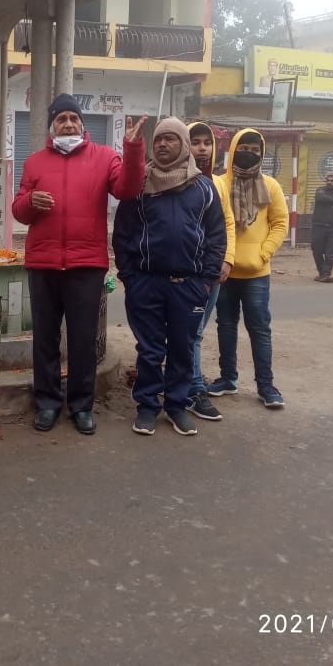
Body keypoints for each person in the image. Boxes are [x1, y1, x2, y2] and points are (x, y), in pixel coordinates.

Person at [12, 94, 146, 435]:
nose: (68, 123)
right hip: (43, 263)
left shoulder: (105, 157)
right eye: (61, 119)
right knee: (44, 337)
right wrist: (30, 201)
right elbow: (18, 210)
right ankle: (47, 403)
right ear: (52, 126)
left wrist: (132, 149)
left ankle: (82, 405)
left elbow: (128, 189)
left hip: (86, 263)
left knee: (83, 339)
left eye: (73, 117)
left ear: (82, 123)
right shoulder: (35, 163)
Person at [113, 118, 227, 437]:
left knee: (182, 348)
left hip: (189, 286)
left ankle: (177, 406)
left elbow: (216, 235)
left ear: (184, 145)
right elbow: (122, 234)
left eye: (171, 139)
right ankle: (147, 406)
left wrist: (204, 280)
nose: (162, 144)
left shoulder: (203, 187)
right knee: (150, 351)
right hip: (145, 285)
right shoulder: (140, 185)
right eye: (158, 139)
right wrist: (130, 278)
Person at [208, 128, 289, 409]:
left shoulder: (271, 186)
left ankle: (266, 386)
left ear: (262, 154)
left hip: (256, 273)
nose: (249, 153)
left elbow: (280, 224)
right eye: (243, 147)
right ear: (232, 149)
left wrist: (263, 255)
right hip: (224, 271)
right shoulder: (219, 183)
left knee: (259, 329)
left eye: (255, 150)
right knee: (225, 326)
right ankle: (227, 379)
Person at [186, 122, 236, 421]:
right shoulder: (174, 179)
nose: (202, 147)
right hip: (182, 270)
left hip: (212, 269)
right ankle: (192, 388)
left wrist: (227, 260)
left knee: (195, 333)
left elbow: (227, 223)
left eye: (207, 142)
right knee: (190, 333)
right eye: (195, 141)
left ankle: (190, 382)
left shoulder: (218, 184)